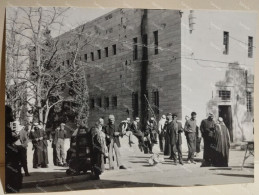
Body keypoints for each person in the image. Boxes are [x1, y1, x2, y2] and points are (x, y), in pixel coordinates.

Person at [5, 105, 23, 193]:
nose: (12, 115)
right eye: (10, 113)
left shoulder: (8, 129)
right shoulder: (6, 130)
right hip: (9, 164)